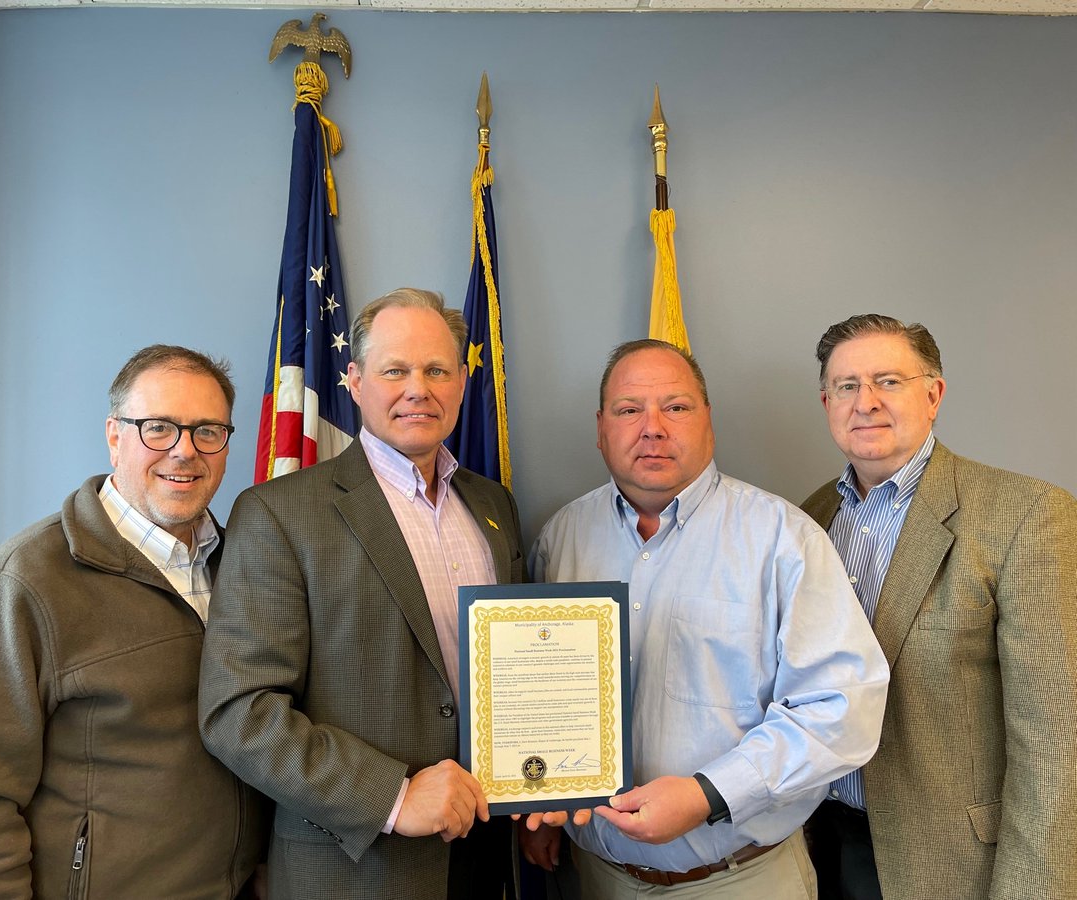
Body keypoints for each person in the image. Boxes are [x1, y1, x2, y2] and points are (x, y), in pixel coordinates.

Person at [523, 338, 889, 899]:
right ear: (601, 428)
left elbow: (841, 710)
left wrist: (706, 794)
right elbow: (537, 696)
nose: (652, 427)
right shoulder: (561, 539)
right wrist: (537, 797)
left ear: (708, 421)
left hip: (741, 879)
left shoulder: (782, 540)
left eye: (676, 407)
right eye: (629, 410)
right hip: (597, 878)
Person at [0, 345, 268, 899]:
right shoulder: (16, 586)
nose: (184, 451)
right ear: (114, 435)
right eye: (158, 428)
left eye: (207, 431)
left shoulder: (247, 564)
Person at [199, 288, 526, 900]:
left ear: (461, 382)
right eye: (394, 370)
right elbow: (237, 713)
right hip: (354, 867)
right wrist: (395, 797)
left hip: (487, 850)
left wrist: (554, 779)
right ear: (353, 380)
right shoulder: (279, 513)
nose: (417, 389)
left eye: (436, 370)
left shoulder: (494, 509)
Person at [803, 313, 1077, 900]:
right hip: (820, 845)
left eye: (888, 381)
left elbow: (1056, 742)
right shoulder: (811, 517)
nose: (866, 402)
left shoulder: (1025, 514)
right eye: (847, 386)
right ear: (827, 401)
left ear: (934, 394)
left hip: (953, 864)